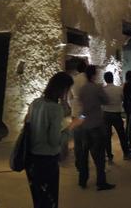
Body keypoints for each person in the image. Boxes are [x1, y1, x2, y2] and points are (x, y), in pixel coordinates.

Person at [26, 72, 83, 208]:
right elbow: (54, 141)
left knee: (38, 199)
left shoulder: (35, 103)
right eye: (68, 89)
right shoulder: (55, 109)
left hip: (31, 160)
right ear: (63, 89)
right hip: (47, 160)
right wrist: (72, 127)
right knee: (50, 201)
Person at [78, 65, 116, 191]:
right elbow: (106, 100)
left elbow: (81, 104)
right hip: (96, 124)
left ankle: (83, 180)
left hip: (84, 124)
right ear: (94, 74)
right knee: (99, 156)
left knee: (84, 155)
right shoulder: (97, 88)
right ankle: (101, 182)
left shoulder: (82, 89)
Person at [102, 71, 131, 162]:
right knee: (122, 135)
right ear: (112, 78)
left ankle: (109, 156)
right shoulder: (119, 89)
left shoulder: (103, 89)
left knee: (107, 136)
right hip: (116, 114)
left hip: (106, 114)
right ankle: (126, 154)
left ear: (105, 79)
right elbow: (123, 99)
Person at [68, 61, 87, 176]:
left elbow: (69, 97)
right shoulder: (87, 79)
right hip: (84, 113)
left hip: (75, 112)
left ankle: (78, 163)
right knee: (87, 139)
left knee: (77, 140)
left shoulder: (73, 80)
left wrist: (73, 106)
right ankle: (84, 163)